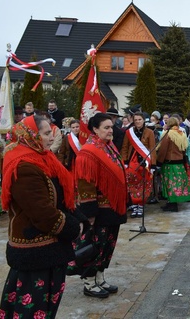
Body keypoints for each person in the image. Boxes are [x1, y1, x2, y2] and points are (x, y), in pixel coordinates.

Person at [0, 115, 83, 317]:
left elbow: (59, 197)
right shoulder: (24, 166)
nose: (51, 137)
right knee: (32, 308)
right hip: (36, 250)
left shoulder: (42, 158)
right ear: (30, 135)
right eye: (46, 133)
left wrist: (78, 216)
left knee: (45, 307)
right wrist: (73, 228)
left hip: (49, 249)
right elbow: (42, 212)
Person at [68, 113, 127, 298]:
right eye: (106, 127)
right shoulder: (89, 152)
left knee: (108, 245)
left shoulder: (108, 146)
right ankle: (88, 282)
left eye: (112, 127)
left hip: (112, 208)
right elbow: (85, 184)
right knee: (95, 245)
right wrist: (89, 214)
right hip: (99, 210)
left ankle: (100, 278)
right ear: (95, 129)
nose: (111, 131)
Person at [121, 112, 156, 217]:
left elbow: (152, 149)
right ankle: (135, 206)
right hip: (132, 161)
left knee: (144, 184)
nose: (137, 122)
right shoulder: (129, 132)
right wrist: (125, 161)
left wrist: (153, 165)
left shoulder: (150, 132)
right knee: (132, 183)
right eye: (135, 120)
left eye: (139, 119)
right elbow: (125, 147)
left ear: (144, 120)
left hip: (145, 162)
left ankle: (141, 206)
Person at [156, 117, 190, 211]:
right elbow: (184, 149)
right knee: (177, 183)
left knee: (170, 183)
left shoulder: (168, 134)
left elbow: (163, 150)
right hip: (179, 163)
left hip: (169, 163)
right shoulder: (182, 134)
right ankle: (172, 202)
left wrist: (159, 162)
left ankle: (172, 204)